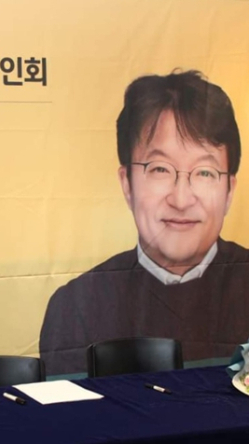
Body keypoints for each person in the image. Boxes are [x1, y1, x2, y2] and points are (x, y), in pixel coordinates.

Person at [40, 70, 249, 375]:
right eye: (160, 169)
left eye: (205, 172)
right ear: (127, 184)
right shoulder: (76, 305)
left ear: (229, 190)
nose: (181, 199)